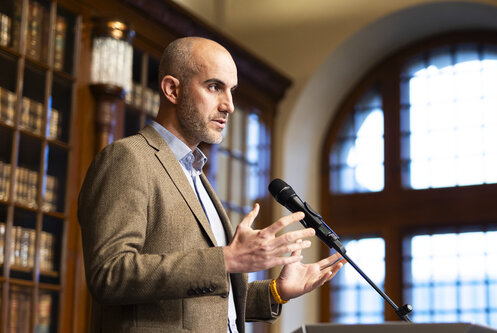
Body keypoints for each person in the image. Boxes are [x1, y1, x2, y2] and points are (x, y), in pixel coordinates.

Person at [78, 36, 345, 332]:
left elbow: (206, 303)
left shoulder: (196, 173)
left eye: (232, 91)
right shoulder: (129, 158)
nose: (229, 105)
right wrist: (226, 259)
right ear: (172, 89)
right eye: (214, 87)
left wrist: (275, 292)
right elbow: (109, 274)